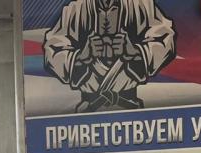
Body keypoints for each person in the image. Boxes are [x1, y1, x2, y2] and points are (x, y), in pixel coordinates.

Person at [43, 0, 177, 112]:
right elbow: (52, 48)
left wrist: (133, 51)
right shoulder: (75, 9)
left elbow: (165, 38)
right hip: (88, 109)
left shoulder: (141, 5)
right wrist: (82, 56)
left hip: (130, 108)